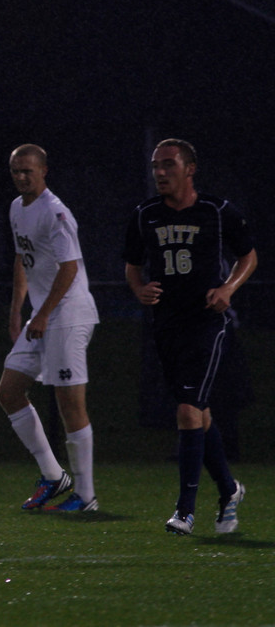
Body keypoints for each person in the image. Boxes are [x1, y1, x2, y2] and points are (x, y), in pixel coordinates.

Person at [123, 138, 257, 535]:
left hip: (206, 323)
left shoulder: (216, 211)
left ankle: (184, 511)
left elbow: (248, 256)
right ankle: (230, 490)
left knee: (186, 411)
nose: (160, 173)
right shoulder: (145, 214)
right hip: (166, 324)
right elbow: (132, 265)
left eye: (168, 165)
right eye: (155, 166)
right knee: (199, 412)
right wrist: (138, 289)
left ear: (189, 168)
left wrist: (228, 289)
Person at [0, 144, 100, 512]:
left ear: (43, 171)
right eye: (16, 171)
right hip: (42, 315)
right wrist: (17, 311)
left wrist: (42, 315)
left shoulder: (55, 213)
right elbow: (22, 259)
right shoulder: (16, 208)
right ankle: (54, 475)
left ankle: (86, 496)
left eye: (28, 171)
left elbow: (69, 268)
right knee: (8, 391)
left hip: (68, 315)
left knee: (70, 405)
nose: (22, 177)